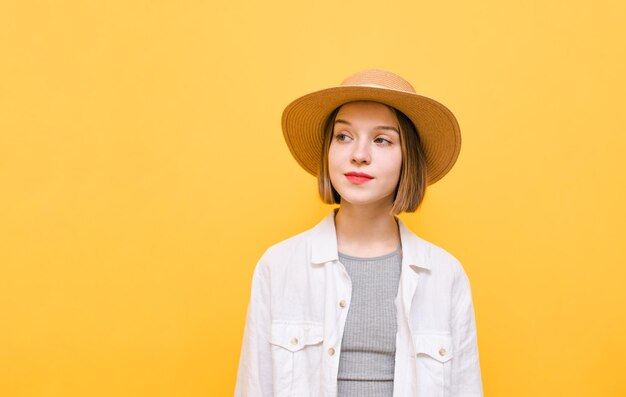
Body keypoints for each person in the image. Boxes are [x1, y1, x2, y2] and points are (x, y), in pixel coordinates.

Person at [235, 69, 483, 397]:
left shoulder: (445, 275)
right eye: (344, 136)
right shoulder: (278, 267)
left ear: (407, 157)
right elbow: (254, 387)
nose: (359, 154)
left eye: (382, 139)